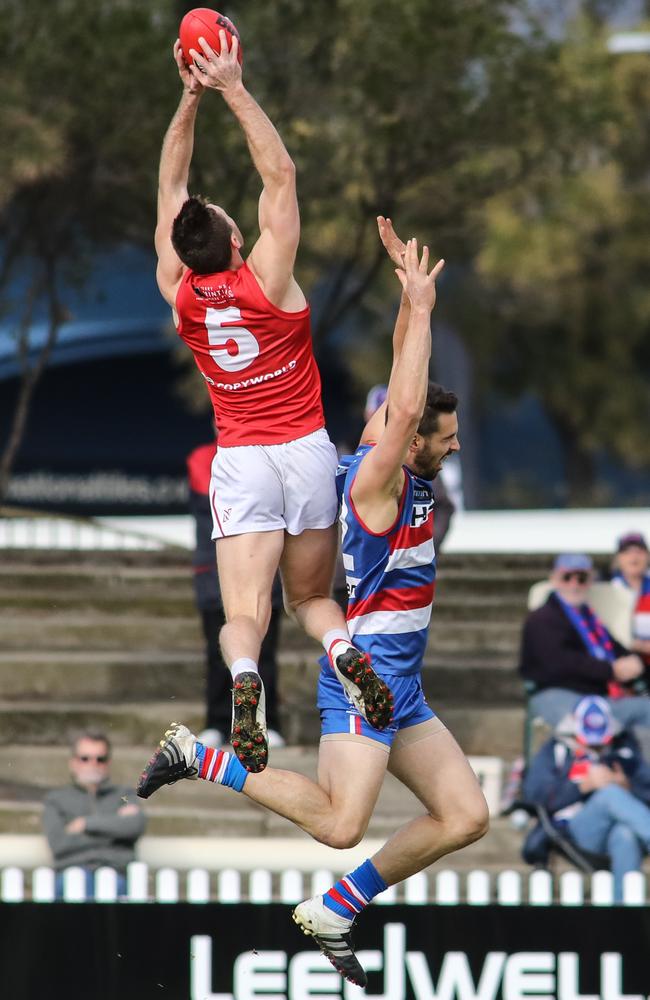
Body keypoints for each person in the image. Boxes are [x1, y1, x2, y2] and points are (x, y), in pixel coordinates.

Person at [138, 234, 489, 988]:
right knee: (339, 824)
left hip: (403, 686)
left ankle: (336, 909)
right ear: (409, 439)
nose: (454, 448)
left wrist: (409, 305)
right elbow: (402, 404)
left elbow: (404, 393)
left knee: (466, 817)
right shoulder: (375, 485)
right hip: (367, 675)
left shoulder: (390, 449)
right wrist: (421, 312)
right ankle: (197, 756)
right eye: (447, 438)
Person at [153, 32, 392, 771]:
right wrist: (229, 87)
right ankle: (342, 648)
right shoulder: (267, 280)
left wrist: (186, 101)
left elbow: (169, 188)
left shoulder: (181, 296)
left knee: (245, 616)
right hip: (307, 451)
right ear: (232, 238)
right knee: (313, 598)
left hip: (244, 460)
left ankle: (246, 684)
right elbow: (280, 173)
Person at [187, 437, 285, 748]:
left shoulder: (273, 454)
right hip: (214, 572)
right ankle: (217, 722)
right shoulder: (202, 456)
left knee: (264, 651)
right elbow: (215, 493)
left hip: (265, 570)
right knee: (218, 653)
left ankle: (266, 724)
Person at [522, 695, 650, 900]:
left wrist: (626, 785)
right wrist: (582, 787)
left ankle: (624, 915)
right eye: (587, 742)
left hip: (616, 830)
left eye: (601, 743)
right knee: (609, 794)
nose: (595, 748)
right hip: (573, 831)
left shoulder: (623, 747)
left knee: (625, 835)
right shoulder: (556, 750)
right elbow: (535, 796)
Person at [519, 552, 650, 732]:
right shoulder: (542, 618)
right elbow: (559, 663)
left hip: (599, 694)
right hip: (558, 694)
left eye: (581, 577)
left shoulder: (590, 619)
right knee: (588, 722)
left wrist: (633, 661)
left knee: (644, 709)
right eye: (567, 577)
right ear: (554, 579)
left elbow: (614, 649)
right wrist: (611, 670)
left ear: (590, 580)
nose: (574, 584)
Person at [43, 731, 146, 899]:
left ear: (108, 762)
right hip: (72, 874)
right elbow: (59, 844)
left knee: (111, 882)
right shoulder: (56, 799)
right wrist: (114, 829)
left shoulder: (124, 795)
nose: (93, 764)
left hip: (116, 875)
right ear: (73, 763)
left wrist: (85, 824)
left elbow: (135, 826)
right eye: (85, 758)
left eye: (100, 759)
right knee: (78, 881)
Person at [610, 532, 650, 665]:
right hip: (620, 665)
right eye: (627, 552)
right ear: (618, 558)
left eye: (639, 551)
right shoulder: (608, 590)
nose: (634, 557)